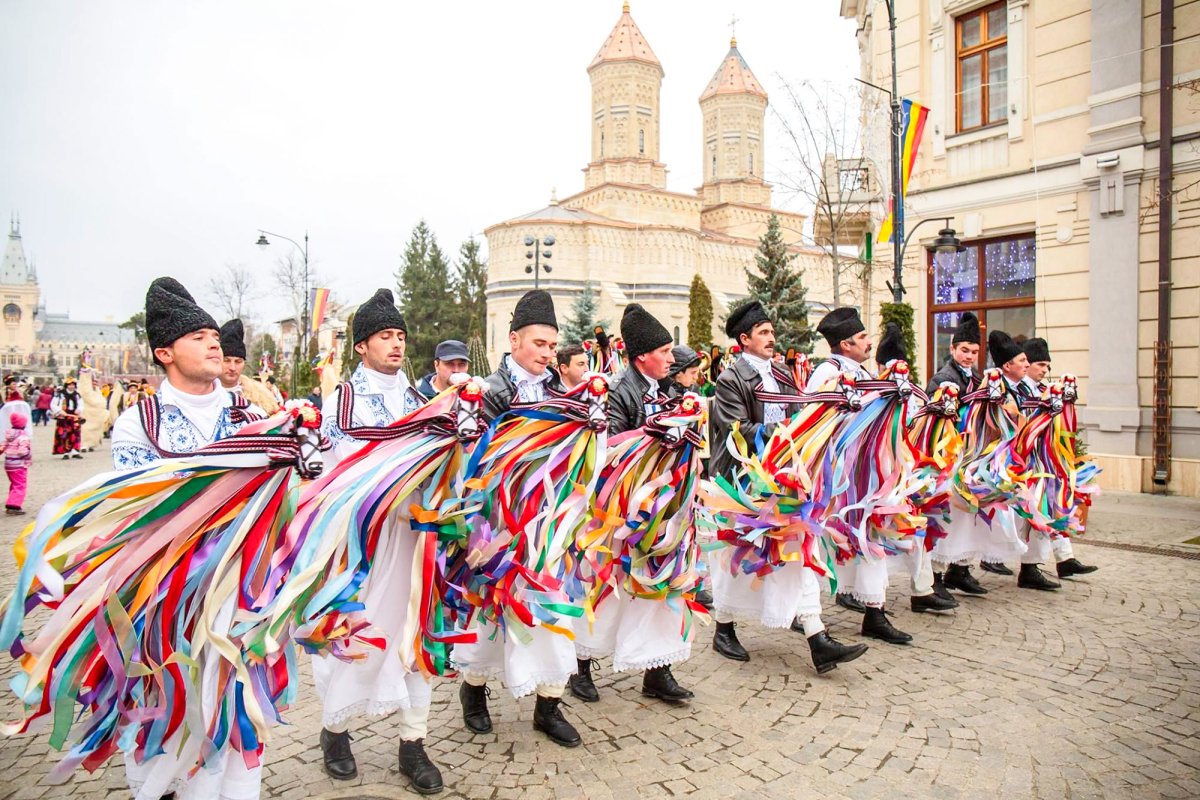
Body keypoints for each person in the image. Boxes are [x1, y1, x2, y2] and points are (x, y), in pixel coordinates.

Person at [109, 277, 267, 800]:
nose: (212, 341)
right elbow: (137, 512)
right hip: (168, 593)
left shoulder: (254, 414)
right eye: (197, 335)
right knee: (169, 698)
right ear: (165, 352)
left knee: (235, 702)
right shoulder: (139, 424)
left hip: (243, 589)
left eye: (211, 333)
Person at [313, 288, 438, 793]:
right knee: (358, 635)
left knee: (414, 634)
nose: (396, 344)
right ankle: (335, 730)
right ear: (362, 346)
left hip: (414, 541)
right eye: (385, 336)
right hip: (363, 544)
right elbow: (333, 474)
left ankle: (414, 742)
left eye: (401, 336)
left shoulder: (420, 400)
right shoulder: (340, 401)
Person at [708, 300, 868, 673]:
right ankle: (724, 627)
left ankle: (816, 635)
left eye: (771, 332)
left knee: (797, 548)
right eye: (763, 333)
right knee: (735, 557)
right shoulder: (731, 379)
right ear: (744, 339)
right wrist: (781, 433)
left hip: (784, 477)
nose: (771, 338)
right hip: (743, 479)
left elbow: (802, 412)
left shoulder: (782, 373)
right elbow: (735, 430)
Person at [455, 289, 583, 748]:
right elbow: (474, 460)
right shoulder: (488, 393)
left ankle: (549, 704)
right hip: (497, 523)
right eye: (539, 344)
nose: (548, 354)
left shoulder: (561, 393)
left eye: (553, 346)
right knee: (490, 607)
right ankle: (474, 692)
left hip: (548, 524)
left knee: (549, 604)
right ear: (514, 340)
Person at [570, 304, 695, 705]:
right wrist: (655, 436)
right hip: (622, 513)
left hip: (665, 509)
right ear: (643, 356)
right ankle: (581, 664)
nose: (672, 359)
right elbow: (608, 452)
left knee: (658, 587)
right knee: (606, 589)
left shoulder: (673, 390)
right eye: (665, 351)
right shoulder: (619, 392)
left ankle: (657, 669)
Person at [808, 308, 912, 646]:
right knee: (824, 540)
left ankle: (874, 610)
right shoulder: (828, 371)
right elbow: (816, 416)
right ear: (845, 343)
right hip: (837, 475)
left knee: (869, 533)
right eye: (863, 337)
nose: (869, 342)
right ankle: (806, 614)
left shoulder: (863, 370)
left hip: (866, 473)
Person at [1019, 337, 1098, 579]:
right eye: (1040, 364)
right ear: (1027, 364)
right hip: (1026, 460)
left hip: (1049, 460)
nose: (1044, 370)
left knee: (1054, 507)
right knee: (1035, 513)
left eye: (1047, 366)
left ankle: (1065, 559)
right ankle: (1030, 567)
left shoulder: (1046, 390)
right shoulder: (1020, 389)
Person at [926, 312, 981, 396]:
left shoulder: (977, 377)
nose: (970, 357)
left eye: (974, 352)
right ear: (952, 349)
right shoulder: (942, 379)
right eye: (964, 351)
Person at [0, 411, 31, 515]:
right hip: (19, 465)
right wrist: (28, 454)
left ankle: (12, 501)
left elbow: (2, 446)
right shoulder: (23, 437)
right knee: (20, 484)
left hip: (8, 464)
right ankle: (14, 505)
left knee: (14, 483)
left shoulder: (9, 436)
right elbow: (22, 451)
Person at [50, 377, 84, 460]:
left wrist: (79, 409)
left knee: (75, 434)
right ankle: (65, 452)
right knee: (64, 434)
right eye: (69, 385)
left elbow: (81, 404)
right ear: (66, 385)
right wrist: (59, 411)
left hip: (74, 417)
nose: (71, 386)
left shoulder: (77, 395)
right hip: (63, 416)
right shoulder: (60, 394)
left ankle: (75, 451)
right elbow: (53, 404)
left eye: (73, 385)